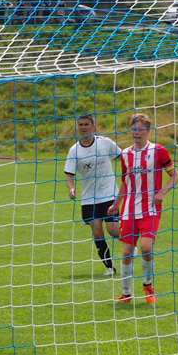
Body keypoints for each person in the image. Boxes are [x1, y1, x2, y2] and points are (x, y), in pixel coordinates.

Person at [114, 113, 178, 305]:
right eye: (134, 128)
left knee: (146, 248)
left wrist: (163, 192)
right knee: (127, 252)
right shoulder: (125, 154)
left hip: (150, 208)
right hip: (129, 210)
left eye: (140, 129)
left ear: (148, 131)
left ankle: (148, 285)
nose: (137, 132)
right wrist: (116, 204)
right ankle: (126, 293)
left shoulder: (158, 151)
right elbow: (125, 182)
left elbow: (175, 176)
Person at [62, 113, 121, 276]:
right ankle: (110, 267)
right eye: (80, 124)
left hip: (109, 193)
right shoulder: (74, 150)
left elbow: (123, 158)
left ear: (93, 126)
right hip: (89, 198)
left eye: (86, 124)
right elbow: (69, 174)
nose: (83, 127)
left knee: (113, 230)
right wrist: (71, 188)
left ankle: (132, 243)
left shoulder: (105, 143)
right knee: (97, 232)